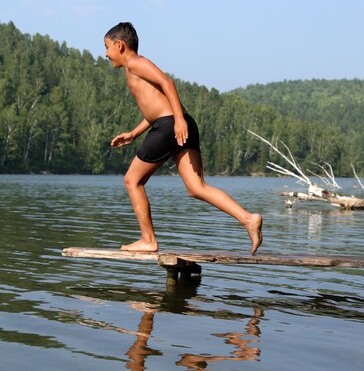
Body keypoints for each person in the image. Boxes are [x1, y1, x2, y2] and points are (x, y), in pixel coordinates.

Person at [105, 22, 263, 254]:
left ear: (120, 45)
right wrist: (133, 133)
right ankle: (248, 219)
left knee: (132, 180)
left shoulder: (136, 63)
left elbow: (167, 82)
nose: (106, 55)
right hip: (177, 123)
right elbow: (155, 109)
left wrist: (178, 120)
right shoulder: (132, 69)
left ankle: (148, 240)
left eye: (107, 48)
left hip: (170, 125)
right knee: (196, 187)